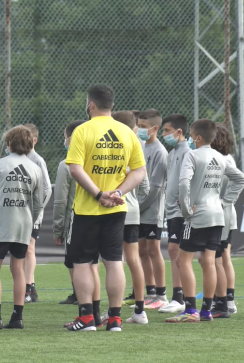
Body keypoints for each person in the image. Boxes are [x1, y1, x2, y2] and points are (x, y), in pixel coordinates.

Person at [65, 85, 147, 332]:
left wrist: (99, 194)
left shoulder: (82, 130)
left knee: (82, 263)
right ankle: (115, 319)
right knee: (113, 262)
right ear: (111, 105)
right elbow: (140, 172)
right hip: (116, 208)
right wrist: (118, 192)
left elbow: (75, 169)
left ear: (91, 105)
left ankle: (87, 318)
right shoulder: (127, 132)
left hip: (88, 210)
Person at [165, 119, 244, 323]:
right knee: (210, 262)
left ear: (198, 137)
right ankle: (206, 311)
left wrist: (185, 210)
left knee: (183, 260)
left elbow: (184, 183)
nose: (191, 140)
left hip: (197, 214)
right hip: (217, 215)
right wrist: (225, 202)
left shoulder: (192, 155)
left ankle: (190, 310)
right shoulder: (221, 157)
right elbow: (241, 179)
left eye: (192, 136)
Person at [0, 126, 44, 330]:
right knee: (18, 268)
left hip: (4, 222)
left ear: (10, 143)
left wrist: (0, 216)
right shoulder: (35, 168)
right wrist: (30, 217)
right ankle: (17, 317)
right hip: (24, 223)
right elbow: (38, 202)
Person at [112, 111, 150, 325]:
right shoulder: (138, 146)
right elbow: (145, 185)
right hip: (133, 210)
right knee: (133, 260)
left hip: (113, 209)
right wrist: (134, 199)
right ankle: (140, 310)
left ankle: (111, 310)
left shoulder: (111, 146)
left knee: (112, 260)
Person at [157, 114, 192, 314]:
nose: (164, 135)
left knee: (175, 250)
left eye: (167, 131)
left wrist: (185, 203)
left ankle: (180, 297)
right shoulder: (172, 153)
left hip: (181, 211)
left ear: (179, 132)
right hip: (170, 210)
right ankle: (178, 296)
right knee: (173, 251)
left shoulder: (188, 152)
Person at [54, 120, 90, 306]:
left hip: (75, 218)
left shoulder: (66, 164)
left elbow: (61, 199)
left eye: (65, 137)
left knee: (73, 260)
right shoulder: (94, 160)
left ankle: (78, 293)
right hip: (97, 215)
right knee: (93, 259)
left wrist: (58, 227)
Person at [136, 109, 168, 310]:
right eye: (138, 126)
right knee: (141, 250)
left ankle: (162, 294)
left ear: (154, 129)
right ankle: (150, 292)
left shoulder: (160, 152)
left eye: (143, 127)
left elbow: (155, 188)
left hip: (151, 211)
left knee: (153, 250)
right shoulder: (140, 147)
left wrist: (137, 207)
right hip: (139, 211)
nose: (139, 130)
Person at [210, 123, 241, 318]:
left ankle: (221, 301)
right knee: (224, 258)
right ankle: (228, 300)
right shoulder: (227, 158)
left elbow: (239, 181)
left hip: (222, 214)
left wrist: (223, 202)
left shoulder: (221, 161)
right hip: (227, 214)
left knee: (217, 259)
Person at [22, 124, 52, 303]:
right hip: (18, 211)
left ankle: (30, 287)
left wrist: (37, 211)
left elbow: (47, 189)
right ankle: (24, 286)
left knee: (29, 247)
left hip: (32, 213)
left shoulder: (37, 160)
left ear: (34, 140)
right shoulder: (15, 158)